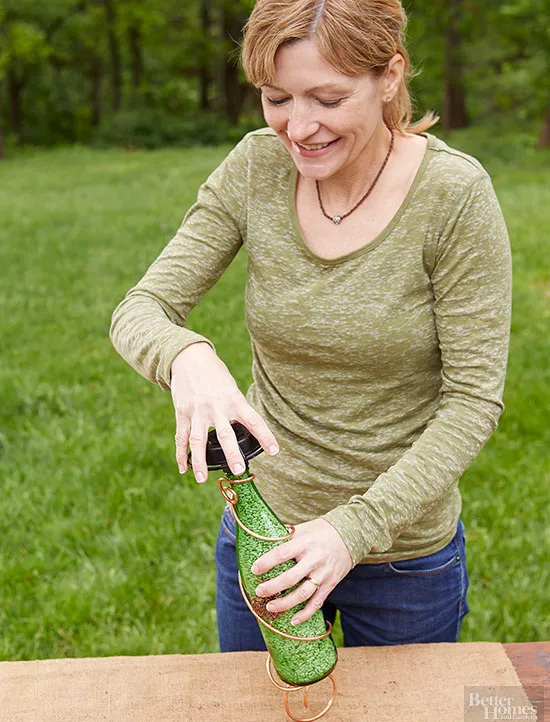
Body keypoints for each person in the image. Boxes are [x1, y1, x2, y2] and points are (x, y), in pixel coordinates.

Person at [109, 0, 512, 651]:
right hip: (264, 538)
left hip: (404, 558)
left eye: (327, 98)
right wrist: (187, 355)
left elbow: (472, 402)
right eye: (276, 98)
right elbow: (139, 310)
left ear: (389, 76)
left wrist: (351, 529)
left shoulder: (454, 196)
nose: (298, 128)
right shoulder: (255, 167)